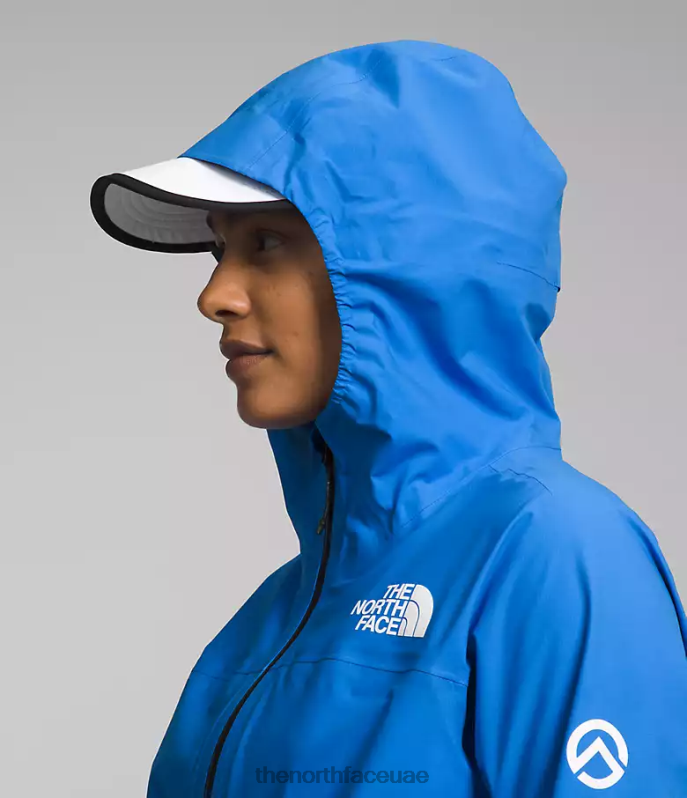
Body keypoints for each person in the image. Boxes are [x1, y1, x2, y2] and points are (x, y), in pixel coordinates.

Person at [90, 39, 687, 797]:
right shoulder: (274, 617)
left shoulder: (559, 552)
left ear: (407, 270)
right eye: (219, 249)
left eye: (265, 242)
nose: (214, 296)